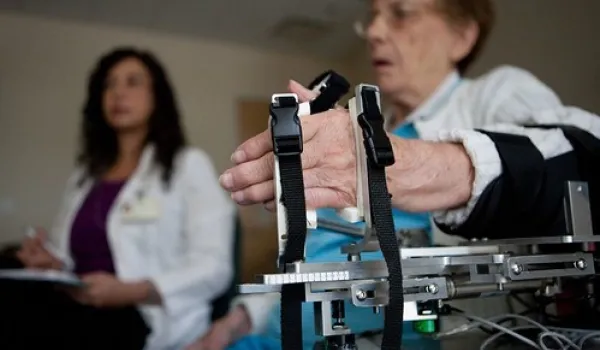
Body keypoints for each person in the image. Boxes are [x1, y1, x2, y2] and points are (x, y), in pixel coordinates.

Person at [192, 0, 577, 349]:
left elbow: (577, 154)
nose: (374, 32)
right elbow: (316, 259)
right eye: (372, 17)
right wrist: (236, 321)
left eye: (401, 13)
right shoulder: (360, 129)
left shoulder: (497, 94)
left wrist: (398, 166)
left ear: (462, 36)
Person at [1, 47, 235, 349]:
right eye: (109, 84)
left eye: (133, 82)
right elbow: (69, 260)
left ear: (157, 96)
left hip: (144, 316)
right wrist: (51, 264)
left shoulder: (187, 164)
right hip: (78, 305)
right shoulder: (84, 176)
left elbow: (214, 267)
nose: (118, 93)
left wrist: (133, 291)